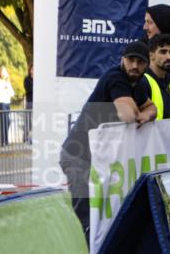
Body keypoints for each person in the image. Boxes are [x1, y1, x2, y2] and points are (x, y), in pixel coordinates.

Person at [59, 41, 156, 235]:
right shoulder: (116, 77)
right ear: (123, 59)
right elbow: (127, 115)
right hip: (78, 155)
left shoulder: (139, 83)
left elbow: (152, 107)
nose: (135, 66)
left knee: (102, 214)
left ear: (147, 64)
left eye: (140, 61)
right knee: (85, 216)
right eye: (131, 60)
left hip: (100, 158)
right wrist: (140, 113)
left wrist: (145, 114)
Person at [0, 66, 14, 146]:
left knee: (7, 121)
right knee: (3, 122)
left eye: (5, 71)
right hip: (1, 103)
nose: (4, 73)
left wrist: (7, 86)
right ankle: (3, 142)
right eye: (3, 71)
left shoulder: (7, 82)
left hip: (7, 103)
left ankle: (4, 140)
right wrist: (4, 88)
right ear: (0, 73)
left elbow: (12, 93)